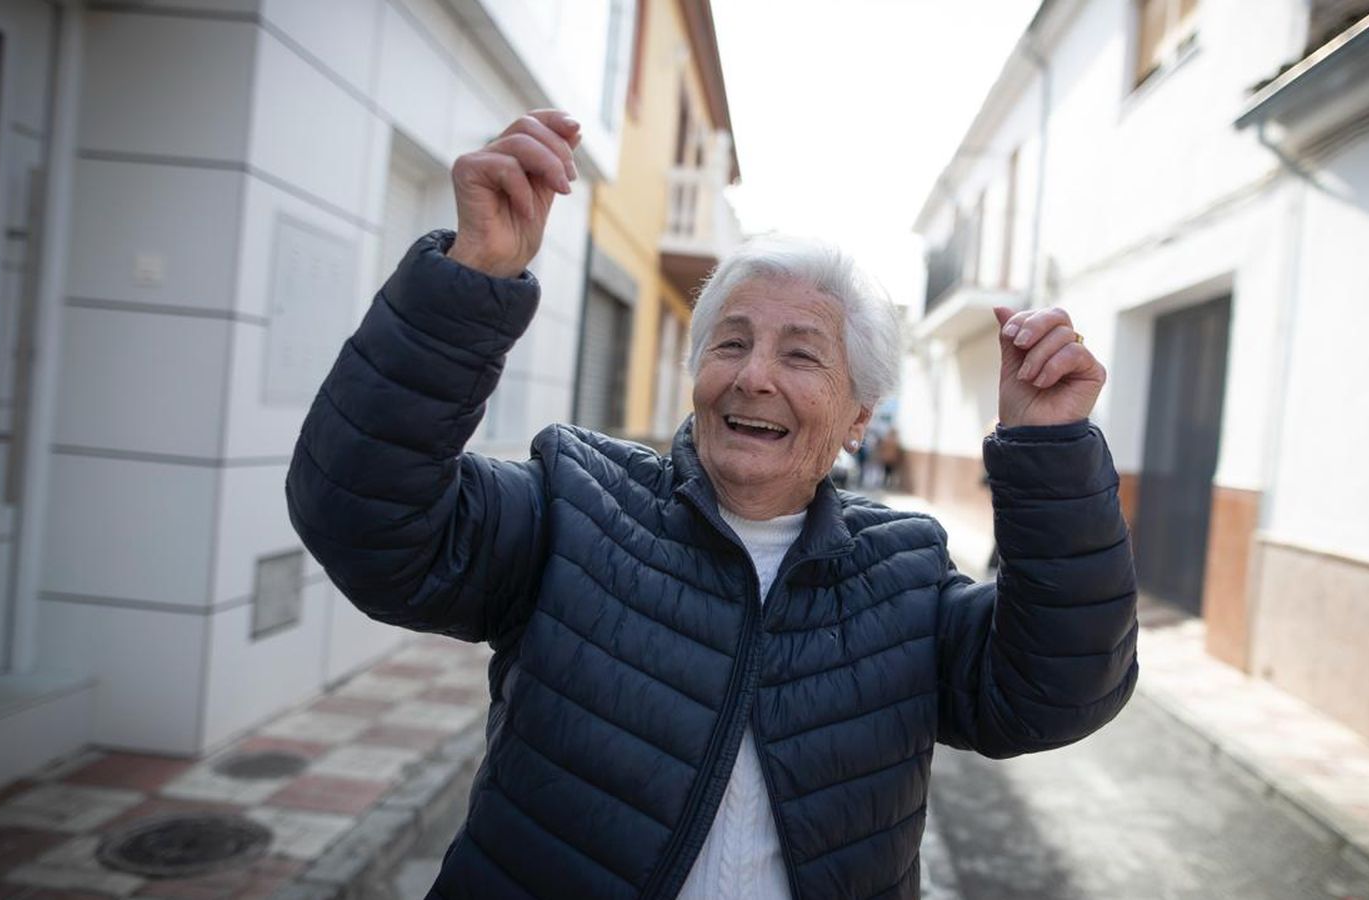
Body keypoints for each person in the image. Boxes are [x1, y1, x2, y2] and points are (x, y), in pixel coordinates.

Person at [286, 110, 1137, 900]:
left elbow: (1058, 689)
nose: (753, 374)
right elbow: (364, 520)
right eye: (730, 341)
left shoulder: (906, 574)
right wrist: (467, 286)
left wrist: (1051, 453)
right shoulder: (576, 504)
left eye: (802, 355)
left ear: (855, 420)